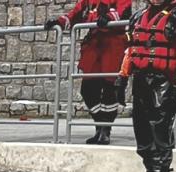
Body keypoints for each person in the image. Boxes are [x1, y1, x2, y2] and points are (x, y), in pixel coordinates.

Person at [121, 0, 176, 172]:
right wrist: (122, 78)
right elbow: (131, 50)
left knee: (160, 135)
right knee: (143, 136)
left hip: (164, 81)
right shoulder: (138, 17)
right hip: (141, 80)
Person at [45, 0, 133, 145]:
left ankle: (105, 130)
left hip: (113, 44)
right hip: (94, 45)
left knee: (110, 90)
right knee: (87, 90)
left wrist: (109, 18)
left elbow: (123, 12)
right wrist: (58, 22)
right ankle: (100, 124)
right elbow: (75, 14)